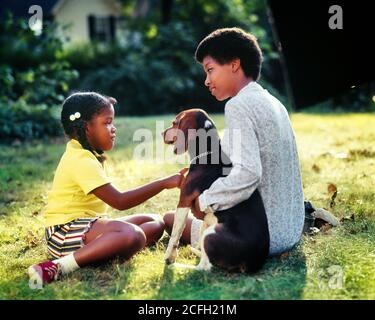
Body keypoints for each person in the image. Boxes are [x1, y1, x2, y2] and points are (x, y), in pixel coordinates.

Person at [164, 27, 305, 262]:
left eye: (210, 70)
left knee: (169, 219)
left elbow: (249, 173)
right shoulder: (274, 102)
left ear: (234, 64)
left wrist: (205, 201)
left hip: (260, 235)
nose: (206, 81)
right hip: (291, 227)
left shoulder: (238, 105)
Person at [28, 92, 186, 286]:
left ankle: (102, 252)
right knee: (133, 235)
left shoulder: (86, 153)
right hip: (63, 233)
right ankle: (60, 266)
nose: (113, 129)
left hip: (86, 225)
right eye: (107, 122)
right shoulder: (80, 160)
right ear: (86, 127)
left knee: (155, 223)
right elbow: (120, 201)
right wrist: (163, 183)